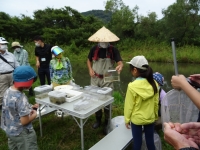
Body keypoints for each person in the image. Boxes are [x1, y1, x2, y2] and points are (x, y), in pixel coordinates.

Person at [87, 26, 123, 135]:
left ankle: (107, 122)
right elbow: (88, 60)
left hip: (108, 78)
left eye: (106, 40)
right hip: (95, 78)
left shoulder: (113, 50)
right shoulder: (94, 49)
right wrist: (90, 69)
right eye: (102, 40)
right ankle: (98, 119)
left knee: (108, 101)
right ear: (99, 40)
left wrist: (120, 66)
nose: (104, 42)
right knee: (95, 100)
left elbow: (120, 62)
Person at [124, 55, 158, 150]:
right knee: (150, 142)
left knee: (137, 144)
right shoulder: (154, 83)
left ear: (135, 70)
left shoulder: (132, 86)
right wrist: (155, 116)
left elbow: (129, 105)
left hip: (137, 120)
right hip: (150, 118)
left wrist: (127, 119)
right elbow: (155, 102)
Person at [1, 65, 39, 150]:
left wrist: (30, 107)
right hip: (22, 133)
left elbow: (13, 107)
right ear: (29, 83)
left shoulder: (8, 91)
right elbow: (24, 121)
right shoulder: (21, 98)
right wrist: (34, 115)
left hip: (10, 130)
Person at [0, 37, 19, 106]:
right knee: (2, 94)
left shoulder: (11, 55)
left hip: (12, 74)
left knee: (15, 91)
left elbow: (17, 65)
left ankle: (15, 106)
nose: (4, 45)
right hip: (1, 76)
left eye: (5, 44)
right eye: (2, 44)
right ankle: (4, 108)